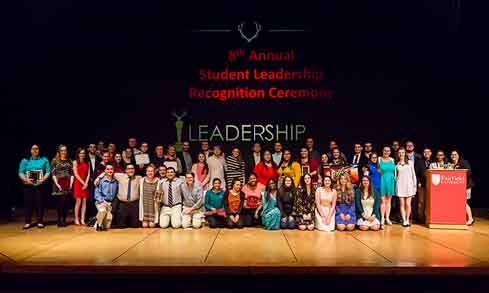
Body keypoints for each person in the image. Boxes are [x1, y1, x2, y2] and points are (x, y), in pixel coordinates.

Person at [96, 163, 142, 228]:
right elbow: (109, 172)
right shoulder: (120, 176)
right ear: (125, 170)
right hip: (123, 204)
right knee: (120, 226)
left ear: (134, 170)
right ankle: (96, 221)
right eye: (128, 169)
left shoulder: (139, 178)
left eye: (132, 168)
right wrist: (99, 177)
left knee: (135, 226)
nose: (130, 170)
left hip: (134, 204)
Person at [18, 145, 51, 229]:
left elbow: (48, 172)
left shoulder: (44, 159)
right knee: (28, 203)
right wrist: (26, 180)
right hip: (28, 185)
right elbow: (20, 172)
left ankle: (40, 221)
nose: (35, 150)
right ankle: (27, 222)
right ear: (30, 150)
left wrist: (42, 179)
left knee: (40, 203)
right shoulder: (25, 160)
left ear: (39, 150)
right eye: (33, 149)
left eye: (37, 149)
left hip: (40, 185)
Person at [51, 144, 74, 227]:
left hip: (67, 185)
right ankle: (59, 219)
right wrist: (57, 184)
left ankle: (64, 219)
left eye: (65, 150)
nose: (64, 152)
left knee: (65, 203)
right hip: (58, 185)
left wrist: (71, 184)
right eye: (62, 150)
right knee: (60, 203)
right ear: (59, 151)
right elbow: (53, 174)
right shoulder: (54, 160)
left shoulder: (69, 161)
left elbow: (72, 174)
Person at [450, 150, 474, 226]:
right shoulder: (450, 164)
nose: (453, 156)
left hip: (466, 186)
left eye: (455, 154)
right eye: (452, 154)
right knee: (459, 203)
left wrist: (459, 172)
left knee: (463, 203)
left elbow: (469, 172)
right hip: (457, 187)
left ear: (458, 155)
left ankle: (470, 219)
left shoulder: (464, 162)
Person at [396, 148, 417, 227]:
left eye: (402, 152)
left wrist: (414, 186)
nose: (401, 154)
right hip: (400, 185)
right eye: (400, 152)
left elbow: (413, 175)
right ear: (398, 154)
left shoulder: (410, 163)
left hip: (409, 185)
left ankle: (408, 219)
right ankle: (404, 220)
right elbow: (396, 177)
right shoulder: (396, 164)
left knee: (408, 204)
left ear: (405, 153)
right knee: (402, 204)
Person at [94, 165, 118, 231]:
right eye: (107, 169)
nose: (110, 171)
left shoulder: (116, 181)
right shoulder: (100, 181)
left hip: (110, 203)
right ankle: (98, 225)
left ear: (113, 171)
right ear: (105, 171)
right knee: (102, 210)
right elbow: (97, 193)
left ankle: (96, 219)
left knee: (107, 226)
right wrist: (102, 201)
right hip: (101, 202)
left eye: (111, 169)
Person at [72, 147, 90, 226]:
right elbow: (75, 174)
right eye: (81, 153)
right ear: (78, 154)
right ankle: (76, 219)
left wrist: (86, 183)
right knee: (78, 202)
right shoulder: (75, 162)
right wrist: (83, 183)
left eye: (83, 153)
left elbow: (88, 174)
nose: (82, 154)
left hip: (85, 184)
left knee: (84, 202)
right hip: (78, 183)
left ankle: (82, 219)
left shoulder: (87, 162)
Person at [379, 146, 396, 226]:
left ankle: (387, 218)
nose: (386, 152)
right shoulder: (379, 159)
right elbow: (377, 170)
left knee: (389, 201)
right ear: (382, 151)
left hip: (391, 181)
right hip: (382, 180)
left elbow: (395, 172)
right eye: (385, 150)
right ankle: (382, 218)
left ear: (390, 152)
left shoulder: (392, 160)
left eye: (388, 151)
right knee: (383, 201)